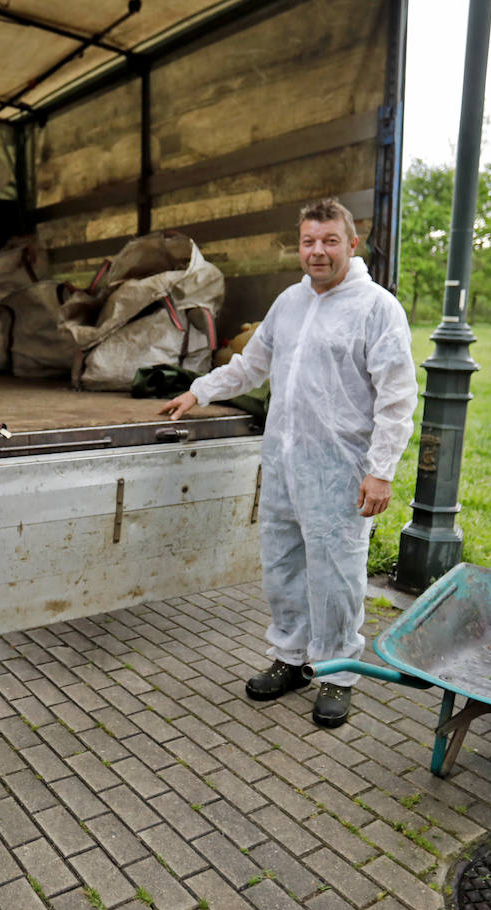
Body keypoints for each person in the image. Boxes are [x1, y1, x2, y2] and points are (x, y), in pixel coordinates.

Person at [160, 199, 417, 729]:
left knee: (337, 572)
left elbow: (396, 397)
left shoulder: (376, 308)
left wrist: (382, 469)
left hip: (342, 468)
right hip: (283, 460)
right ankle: (293, 658)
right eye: (308, 241)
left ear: (351, 243)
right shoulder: (289, 303)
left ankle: (339, 672)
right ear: (298, 245)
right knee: (282, 564)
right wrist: (199, 391)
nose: (317, 252)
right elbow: (253, 364)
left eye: (328, 241)